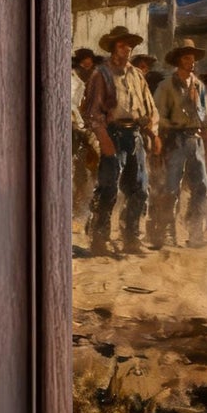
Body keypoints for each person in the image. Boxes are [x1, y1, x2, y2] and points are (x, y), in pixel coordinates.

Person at [83, 26, 159, 255]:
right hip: (113, 135)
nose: (127, 49)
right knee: (108, 188)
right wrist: (103, 138)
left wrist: (154, 133)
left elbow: (150, 108)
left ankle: (131, 238)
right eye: (122, 45)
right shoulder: (101, 74)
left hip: (135, 136)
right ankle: (99, 239)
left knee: (140, 189)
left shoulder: (136, 75)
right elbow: (93, 112)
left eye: (130, 45)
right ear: (114, 47)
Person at [151, 39, 207, 246]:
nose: (192, 62)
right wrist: (159, 138)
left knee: (202, 187)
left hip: (195, 141)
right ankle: (166, 232)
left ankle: (196, 233)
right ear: (179, 60)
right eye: (188, 58)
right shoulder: (166, 86)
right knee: (171, 188)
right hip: (175, 140)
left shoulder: (199, 86)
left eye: (194, 58)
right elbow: (157, 115)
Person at [71, 49, 99, 211]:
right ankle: (76, 202)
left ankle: (92, 201)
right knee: (77, 164)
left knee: (96, 161)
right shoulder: (72, 80)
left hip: (90, 127)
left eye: (90, 64)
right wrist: (82, 125)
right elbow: (72, 107)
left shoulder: (94, 80)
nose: (87, 68)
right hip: (74, 128)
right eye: (84, 64)